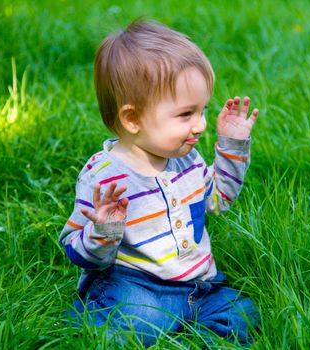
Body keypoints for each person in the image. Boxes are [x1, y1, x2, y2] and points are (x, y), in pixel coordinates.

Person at [59, 19, 260, 346]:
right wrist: (106, 230)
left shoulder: (187, 158)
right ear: (133, 118)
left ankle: (189, 321)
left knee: (243, 315)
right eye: (185, 115)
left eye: (203, 110)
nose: (200, 126)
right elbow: (75, 246)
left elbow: (218, 199)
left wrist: (232, 146)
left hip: (199, 284)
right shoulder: (105, 176)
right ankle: (96, 318)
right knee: (141, 321)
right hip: (136, 284)